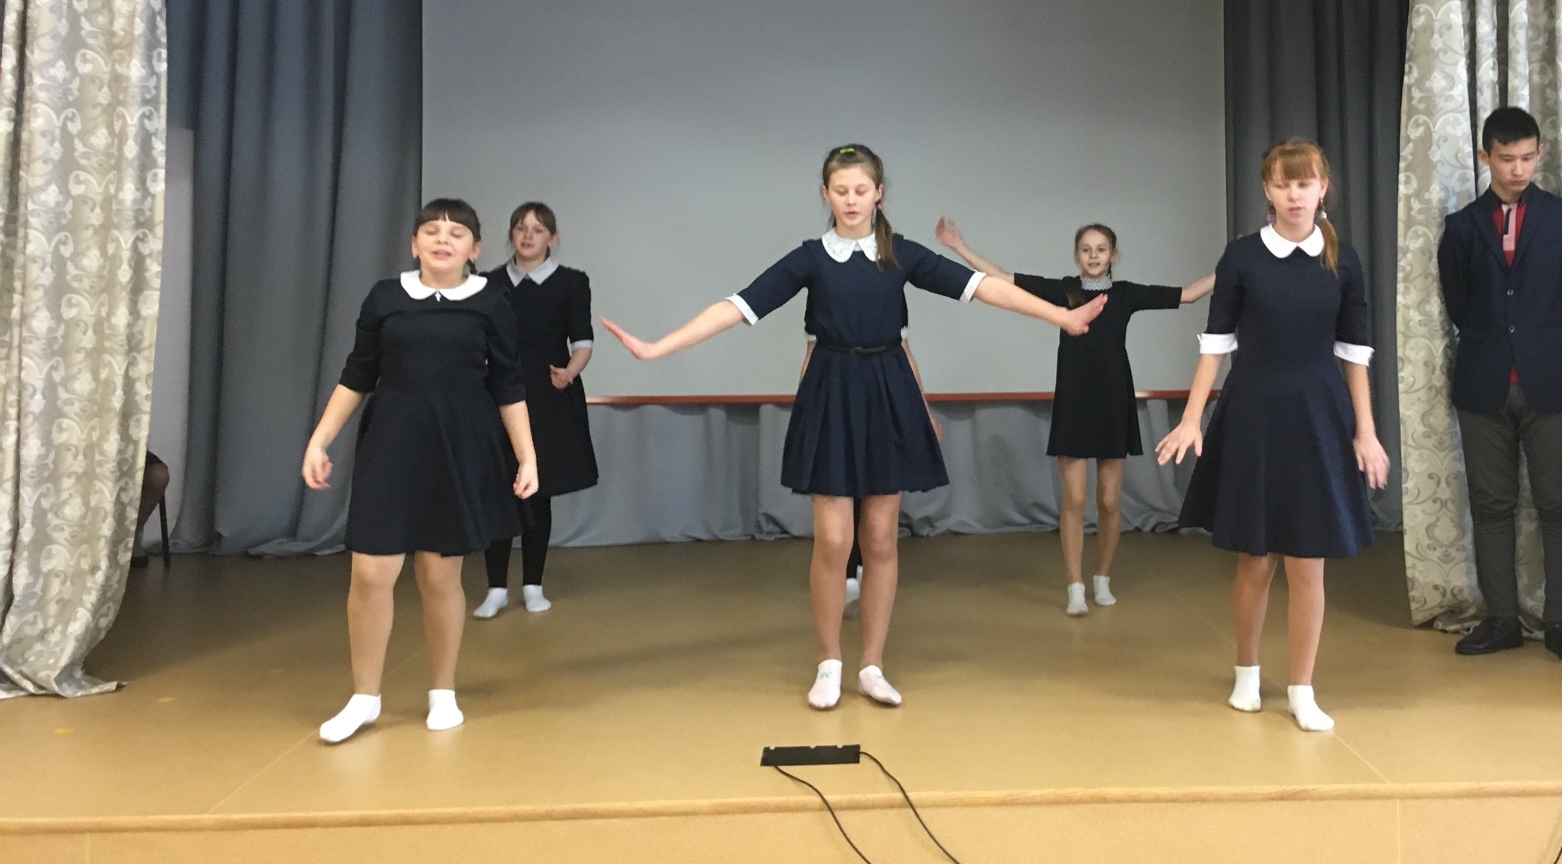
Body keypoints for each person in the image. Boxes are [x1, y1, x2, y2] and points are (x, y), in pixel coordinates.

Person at [600, 144, 1105, 711]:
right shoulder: (810, 258)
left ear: (878, 194)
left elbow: (981, 286)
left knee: (881, 538)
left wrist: (1060, 316)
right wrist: (657, 348)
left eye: (861, 190)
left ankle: (871, 665)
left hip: (888, 388)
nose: (851, 200)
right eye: (840, 190)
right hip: (831, 388)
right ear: (826, 195)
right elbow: (737, 306)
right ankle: (828, 663)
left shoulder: (902, 254)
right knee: (835, 539)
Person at [1157, 141, 1389, 731]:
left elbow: (1355, 353)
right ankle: (1247, 672)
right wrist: (1191, 417)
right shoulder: (1241, 257)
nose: (1294, 195)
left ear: (1322, 189)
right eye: (1283, 185)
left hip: (1320, 418)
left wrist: (1366, 432)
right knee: (1255, 562)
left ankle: (1303, 688)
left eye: (1304, 184)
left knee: (1309, 565)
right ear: (1267, 190)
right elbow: (1216, 342)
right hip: (1253, 415)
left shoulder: (1343, 259)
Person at [301, 199, 537, 744]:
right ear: (414, 244)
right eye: (431, 231)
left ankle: (442, 692)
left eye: (456, 233)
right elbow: (357, 374)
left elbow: (509, 385)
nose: (442, 240)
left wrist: (527, 456)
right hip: (391, 443)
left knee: (439, 576)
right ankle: (364, 697)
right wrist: (320, 439)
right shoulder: (385, 298)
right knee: (370, 573)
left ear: (475, 249)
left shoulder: (492, 302)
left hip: (459, 445)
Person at [935, 216, 1212, 615]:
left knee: (1110, 500)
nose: (1093, 256)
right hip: (1074, 402)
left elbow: (1188, 295)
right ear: (1077, 255)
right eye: (1086, 250)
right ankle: (1075, 586)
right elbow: (1001, 280)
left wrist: (1232, 265)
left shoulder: (1126, 294)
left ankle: (1102, 578)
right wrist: (960, 247)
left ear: (1113, 255)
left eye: (1101, 249)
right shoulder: (1063, 291)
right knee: (1076, 498)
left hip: (1113, 403)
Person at [1437, 107, 1562, 665]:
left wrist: (1548, 341)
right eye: (1507, 159)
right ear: (1485, 157)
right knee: (1491, 505)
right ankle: (1502, 619)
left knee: (1558, 503)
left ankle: (1561, 621)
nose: (1518, 169)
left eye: (1528, 158)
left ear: (1540, 153)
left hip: (1553, 380)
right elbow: (1459, 303)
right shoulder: (1462, 226)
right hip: (1483, 381)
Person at [474, 202, 598, 619]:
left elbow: (583, 341)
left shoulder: (572, 282)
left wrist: (570, 373)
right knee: (498, 490)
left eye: (538, 229)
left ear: (552, 238)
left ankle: (532, 585)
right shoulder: (487, 283)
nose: (528, 236)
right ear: (511, 234)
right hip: (496, 396)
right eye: (521, 228)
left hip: (548, 395)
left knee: (537, 494)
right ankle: (495, 588)